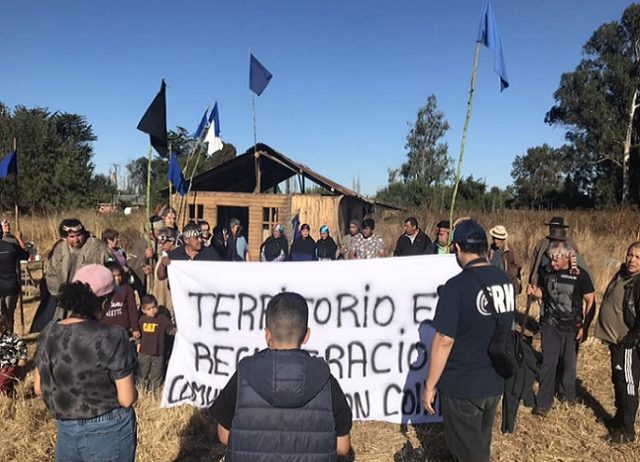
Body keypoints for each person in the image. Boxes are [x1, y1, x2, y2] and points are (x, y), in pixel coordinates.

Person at [212, 292, 352, 460]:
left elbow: (224, 436)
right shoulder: (325, 379)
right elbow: (342, 447)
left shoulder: (244, 374)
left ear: (267, 335)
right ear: (306, 335)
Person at [422, 220, 515, 462]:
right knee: (479, 446)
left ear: (457, 249)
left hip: (463, 385)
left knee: (468, 454)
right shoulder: (505, 281)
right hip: (494, 382)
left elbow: (443, 340)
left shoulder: (456, 287)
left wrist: (430, 386)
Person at [34, 264, 138, 461]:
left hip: (66, 429)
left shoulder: (48, 333)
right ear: (105, 301)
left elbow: (39, 387)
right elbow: (127, 398)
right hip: (109, 428)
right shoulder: (112, 336)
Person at [526, 241, 595, 416]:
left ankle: (567, 397)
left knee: (569, 365)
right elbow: (544, 293)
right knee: (549, 364)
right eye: (551, 260)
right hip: (550, 325)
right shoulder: (547, 272)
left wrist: (585, 327)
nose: (552, 264)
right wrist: (535, 292)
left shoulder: (580, 275)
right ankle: (543, 403)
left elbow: (590, 300)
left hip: (572, 327)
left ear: (566, 258)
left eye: (556, 261)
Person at [594, 242, 640, 443]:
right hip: (615, 341)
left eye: (638, 257)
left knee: (628, 383)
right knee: (618, 381)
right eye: (630, 255)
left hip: (628, 343)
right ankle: (619, 419)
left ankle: (627, 431)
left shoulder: (638, 282)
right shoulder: (622, 274)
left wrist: (632, 337)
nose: (632, 260)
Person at [45, 218, 111, 321]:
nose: (76, 239)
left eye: (79, 235)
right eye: (72, 237)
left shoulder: (99, 248)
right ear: (65, 237)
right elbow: (51, 274)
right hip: (64, 302)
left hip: (90, 301)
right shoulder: (59, 249)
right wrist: (60, 294)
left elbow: (110, 269)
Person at [528, 216, 590, 287]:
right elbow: (535, 268)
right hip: (546, 285)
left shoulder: (569, 245)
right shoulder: (542, 244)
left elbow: (534, 270)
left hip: (565, 285)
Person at [157, 223, 222, 281]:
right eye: (196, 238)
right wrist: (162, 265)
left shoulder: (210, 253)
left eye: (200, 237)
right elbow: (161, 277)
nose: (200, 240)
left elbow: (220, 273)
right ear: (186, 240)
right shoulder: (175, 255)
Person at [137, 294, 176, 390]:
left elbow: (170, 329)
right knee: (142, 373)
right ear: (143, 310)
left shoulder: (162, 319)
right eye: (149, 309)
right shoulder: (142, 320)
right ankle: (141, 391)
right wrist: (137, 343)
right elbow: (138, 334)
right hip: (144, 352)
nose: (152, 310)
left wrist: (178, 332)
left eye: (154, 307)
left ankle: (153, 393)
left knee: (156, 375)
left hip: (158, 353)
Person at [0, 227, 29, 332]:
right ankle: (8, 337)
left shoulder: (12, 247)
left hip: (9, 287)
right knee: (9, 316)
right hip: (11, 287)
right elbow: (26, 255)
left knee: (5, 316)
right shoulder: (12, 247)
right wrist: (19, 239)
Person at [102, 262, 140, 340]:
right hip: (105, 330)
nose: (117, 278)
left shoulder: (127, 289)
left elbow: (132, 309)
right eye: (114, 276)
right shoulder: (102, 290)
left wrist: (135, 327)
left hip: (122, 329)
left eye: (119, 275)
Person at [488, 225, 522, 295]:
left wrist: (505, 277)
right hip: (494, 285)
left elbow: (517, 266)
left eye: (497, 239)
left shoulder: (511, 249)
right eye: (494, 238)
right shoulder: (491, 249)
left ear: (502, 239)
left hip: (508, 285)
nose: (495, 241)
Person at [0, 317, 27, 394]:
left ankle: (8, 389)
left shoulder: (11, 337)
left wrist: (22, 358)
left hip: (9, 365)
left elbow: (21, 346)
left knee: (3, 380)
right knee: (6, 384)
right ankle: (11, 394)